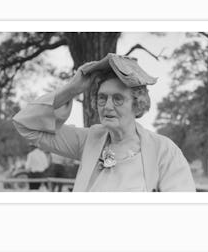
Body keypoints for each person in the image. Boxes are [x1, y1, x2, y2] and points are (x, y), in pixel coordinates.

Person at [13, 53, 195, 192]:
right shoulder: (88, 140)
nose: (107, 106)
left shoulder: (164, 151)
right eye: (102, 98)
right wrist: (72, 89)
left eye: (117, 99)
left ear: (138, 105)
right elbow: (26, 125)